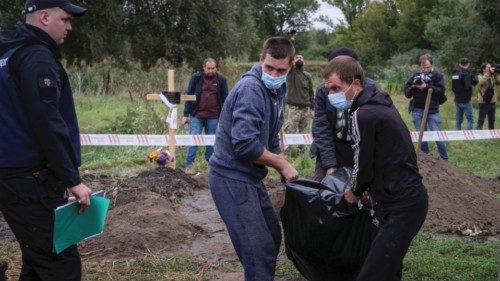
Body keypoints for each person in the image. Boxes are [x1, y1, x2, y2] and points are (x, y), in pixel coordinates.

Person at [0, 1, 92, 280]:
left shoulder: (7, 50)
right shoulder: (36, 57)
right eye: (65, 19)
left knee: (37, 259)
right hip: (29, 181)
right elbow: (47, 123)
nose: (69, 27)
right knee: (59, 264)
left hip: (10, 176)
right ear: (43, 17)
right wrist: (72, 179)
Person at [323, 55, 428, 281]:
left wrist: (353, 192)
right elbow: (382, 157)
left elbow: (363, 165)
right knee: (389, 271)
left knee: (372, 274)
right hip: (390, 201)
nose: (332, 95)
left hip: (404, 205)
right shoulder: (378, 105)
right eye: (328, 89)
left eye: (336, 88)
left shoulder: (364, 114)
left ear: (356, 83)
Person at [209, 36, 299, 280]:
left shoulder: (277, 89)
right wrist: (281, 163)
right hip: (230, 177)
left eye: (280, 69)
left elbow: (269, 135)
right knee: (257, 250)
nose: (273, 72)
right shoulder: (251, 90)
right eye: (269, 67)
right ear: (261, 60)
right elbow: (245, 144)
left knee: (271, 235)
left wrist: (281, 164)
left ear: (290, 66)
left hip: (250, 177)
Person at [310, 47, 376, 181]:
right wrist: (330, 164)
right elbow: (321, 127)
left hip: (359, 148)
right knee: (323, 188)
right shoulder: (323, 90)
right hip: (332, 147)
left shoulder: (370, 89)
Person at [181, 58, 228, 171]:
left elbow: (226, 99)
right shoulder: (196, 78)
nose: (211, 71)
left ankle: (210, 165)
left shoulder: (221, 79)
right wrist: (185, 114)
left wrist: (226, 116)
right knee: (193, 139)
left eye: (213, 68)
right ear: (204, 68)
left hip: (214, 116)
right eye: (208, 68)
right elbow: (189, 96)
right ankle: (188, 165)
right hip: (197, 115)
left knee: (212, 141)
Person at [404, 54, 448, 161]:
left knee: (438, 136)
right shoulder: (416, 76)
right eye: (423, 67)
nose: (425, 69)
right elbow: (407, 93)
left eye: (427, 67)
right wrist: (414, 85)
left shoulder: (437, 76)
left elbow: (441, 91)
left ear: (432, 65)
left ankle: (445, 160)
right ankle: (425, 159)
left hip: (432, 111)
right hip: (417, 110)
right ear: (420, 67)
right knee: (421, 137)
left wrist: (426, 86)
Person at [283, 54, 314, 135]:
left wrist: (312, 108)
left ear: (304, 61)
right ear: (293, 61)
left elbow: (311, 93)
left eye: (301, 58)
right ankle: (285, 148)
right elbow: (288, 61)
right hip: (294, 108)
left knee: (304, 134)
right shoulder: (290, 72)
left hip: (306, 108)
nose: (299, 59)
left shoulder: (307, 75)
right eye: (296, 58)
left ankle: (302, 148)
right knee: (288, 131)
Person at [451, 58, 478, 130]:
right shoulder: (466, 74)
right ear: (468, 64)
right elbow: (468, 86)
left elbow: (453, 88)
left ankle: (456, 136)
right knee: (470, 120)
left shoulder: (455, 73)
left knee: (458, 120)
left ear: (460, 64)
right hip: (466, 100)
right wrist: (473, 80)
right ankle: (468, 136)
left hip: (457, 99)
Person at [476, 62, 500, 129]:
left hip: (492, 101)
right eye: (488, 67)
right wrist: (488, 73)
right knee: (481, 120)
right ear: (484, 69)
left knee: (492, 120)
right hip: (483, 102)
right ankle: (478, 134)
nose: (490, 68)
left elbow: (499, 82)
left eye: (490, 67)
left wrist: (495, 74)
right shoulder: (479, 76)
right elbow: (481, 82)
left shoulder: (492, 76)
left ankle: (492, 135)